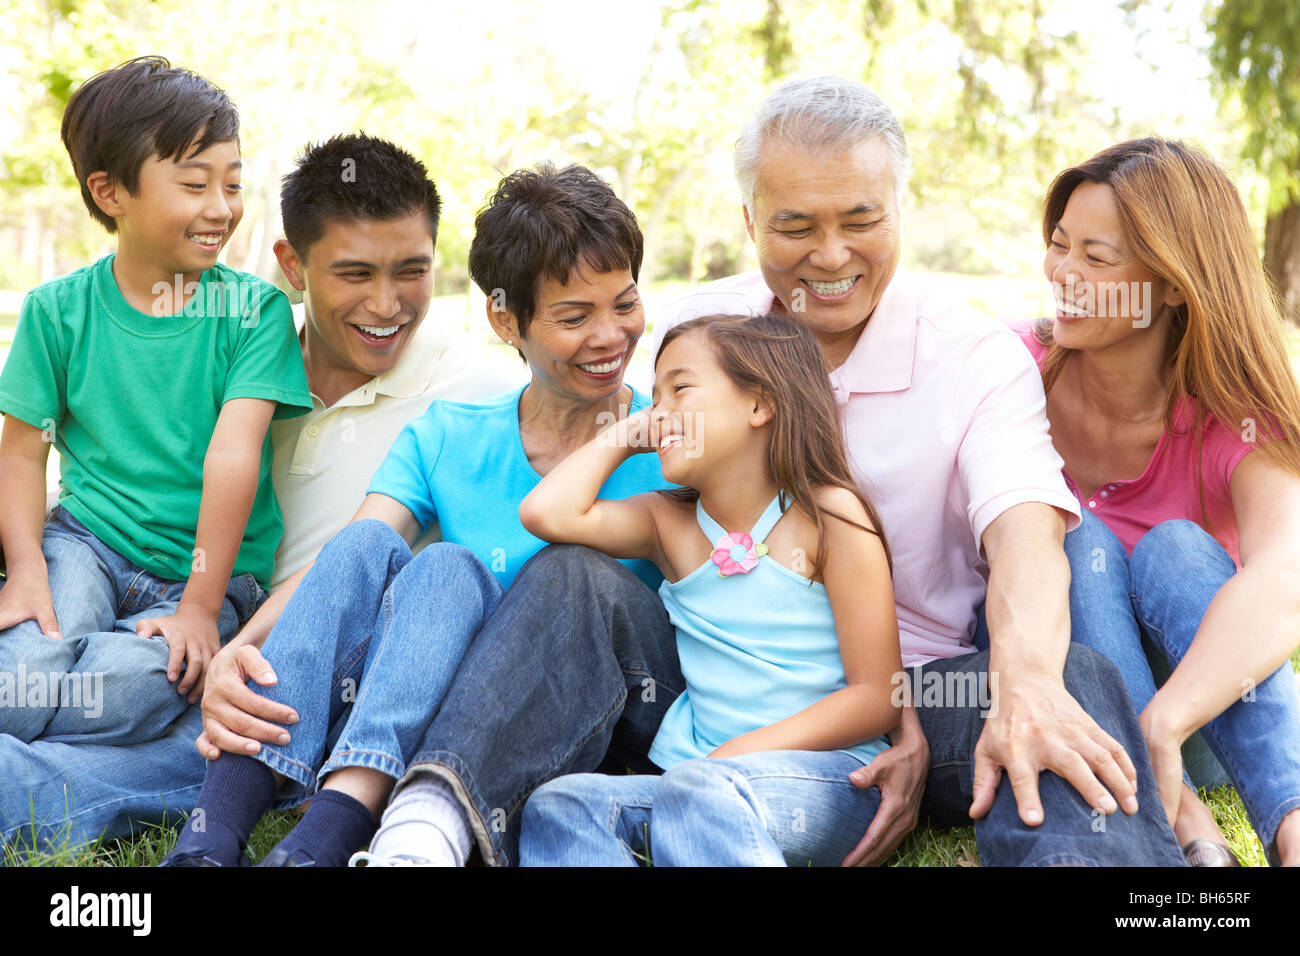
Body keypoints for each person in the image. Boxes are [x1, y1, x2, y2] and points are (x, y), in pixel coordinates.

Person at [652, 75, 1187, 865]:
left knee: (1062, 676)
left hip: (919, 688)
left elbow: (1026, 537)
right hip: (719, 681)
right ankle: (437, 825)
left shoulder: (972, 355)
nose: (830, 257)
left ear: (901, 209)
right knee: (572, 584)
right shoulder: (694, 335)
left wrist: (1025, 682)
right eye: (795, 225)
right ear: (749, 220)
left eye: (862, 220)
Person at [0, 132, 519, 853]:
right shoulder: (237, 353)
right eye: (355, 272)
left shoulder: (475, 391)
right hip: (179, 623)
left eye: (412, 271)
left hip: (289, 684)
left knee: (55, 771)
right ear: (292, 268)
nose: (387, 303)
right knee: (76, 664)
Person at [161, 162, 671, 867]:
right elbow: (347, 556)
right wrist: (239, 652)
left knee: (568, 568)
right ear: (504, 317)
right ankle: (220, 839)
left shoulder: (674, 442)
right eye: (574, 316)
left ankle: (359, 822)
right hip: (450, 707)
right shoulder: (449, 434)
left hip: (605, 714)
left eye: (625, 303)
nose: (611, 336)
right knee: (412, 556)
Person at [0, 55, 310, 769]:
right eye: (195, 183)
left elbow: (233, 456)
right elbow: (22, 453)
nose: (222, 208)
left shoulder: (254, 312)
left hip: (204, 575)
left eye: (232, 184)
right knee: (27, 662)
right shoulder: (58, 312)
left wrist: (200, 607)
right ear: (110, 192)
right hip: (86, 543)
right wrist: (25, 569)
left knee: (142, 683)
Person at [517, 312, 901, 866]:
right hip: (692, 783)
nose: (659, 411)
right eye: (653, 397)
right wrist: (626, 434)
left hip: (823, 777)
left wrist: (729, 761)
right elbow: (546, 512)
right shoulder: (668, 525)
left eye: (681, 388)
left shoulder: (827, 516)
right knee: (562, 804)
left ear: (759, 404)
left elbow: (876, 696)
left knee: (697, 794)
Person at [1012, 137, 1300, 866]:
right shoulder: (1014, 370)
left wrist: (1167, 721)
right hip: (1080, 705)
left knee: (1174, 545)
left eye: (1096, 258)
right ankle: (1190, 833)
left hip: (1206, 712)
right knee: (1077, 541)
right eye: (1058, 245)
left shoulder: (1235, 413)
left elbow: (1285, 581)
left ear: (1173, 283)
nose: (1062, 274)